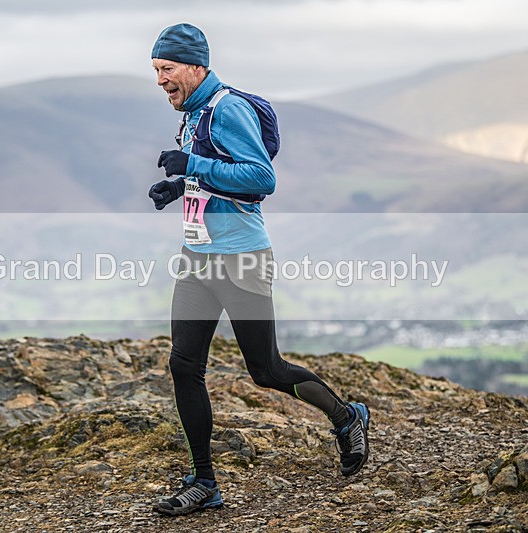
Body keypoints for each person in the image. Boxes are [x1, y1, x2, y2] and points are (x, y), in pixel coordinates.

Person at [147, 23, 371, 516]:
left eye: (167, 70)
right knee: (184, 366)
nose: (160, 80)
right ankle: (203, 481)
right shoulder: (193, 112)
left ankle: (346, 416)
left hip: (241, 257)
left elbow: (260, 177)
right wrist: (182, 186)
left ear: (195, 66)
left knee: (265, 370)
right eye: (156, 71)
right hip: (197, 257)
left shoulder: (227, 108)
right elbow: (215, 176)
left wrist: (192, 164)